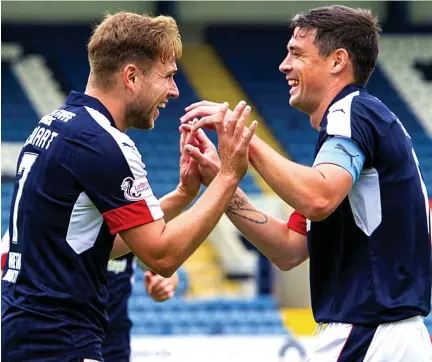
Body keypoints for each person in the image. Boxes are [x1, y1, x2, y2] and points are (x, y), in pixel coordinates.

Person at [1, 11, 257, 362]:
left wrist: (183, 195)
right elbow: (162, 256)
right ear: (132, 76)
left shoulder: (57, 123)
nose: (174, 90)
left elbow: (91, 243)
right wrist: (228, 176)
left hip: (25, 329)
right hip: (59, 340)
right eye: (167, 76)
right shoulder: (103, 143)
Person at [180, 5, 432, 361]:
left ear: (337, 61)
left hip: (369, 331)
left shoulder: (351, 112)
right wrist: (222, 185)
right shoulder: (355, 132)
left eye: (296, 53)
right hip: (387, 333)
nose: (284, 65)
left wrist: (243, 136)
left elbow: (318, 197)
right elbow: (289, 248)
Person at [1, 231, 179, 361]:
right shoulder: (43, 210)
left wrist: (166, 284)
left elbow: (165, 266)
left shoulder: (128, 217)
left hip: (113, 343)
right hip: (62, 340)